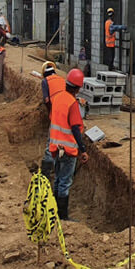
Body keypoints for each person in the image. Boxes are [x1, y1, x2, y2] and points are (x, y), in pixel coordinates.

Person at [48, 68, 89, 220]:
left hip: (55, 147)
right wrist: (83, 150)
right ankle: (62, 217)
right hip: (67, 149)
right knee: (65, 182)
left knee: (58, 179)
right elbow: (75, 129)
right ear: (78, 88)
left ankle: (53, 212)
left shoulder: (58, 98)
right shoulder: (72, 104)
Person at [40, 61, 66, 178]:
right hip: (67, 112)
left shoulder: (45, 82)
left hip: (57, 114)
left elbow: (46, 100)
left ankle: (45, 172)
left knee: (51, 141)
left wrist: (50, 111)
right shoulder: (62, 79)